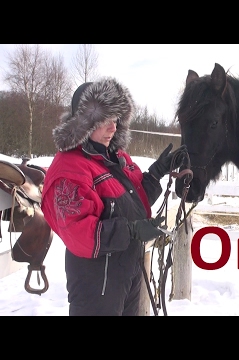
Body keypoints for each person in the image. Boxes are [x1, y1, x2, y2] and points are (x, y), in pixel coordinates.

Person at [41, 77, 186, 316]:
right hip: (96, 284)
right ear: (84, 123)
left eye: (116, 119)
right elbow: (80, 233)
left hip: (127, 271)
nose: (113, 127)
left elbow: (133, 205)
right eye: (105, 120)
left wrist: (158, 171)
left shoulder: (114, 158)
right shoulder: (70, 169)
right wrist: (132, 231)